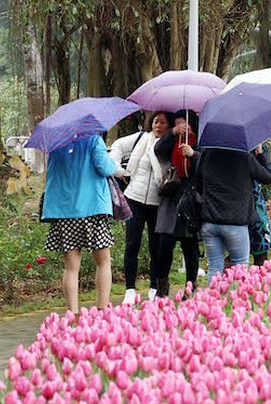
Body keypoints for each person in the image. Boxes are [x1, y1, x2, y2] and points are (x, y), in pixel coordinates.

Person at [180, 135, 271, 284]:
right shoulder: (244, 157)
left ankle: (213, 304)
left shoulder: (207, 155)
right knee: (239, 269)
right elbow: (268, 177)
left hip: (209, 222)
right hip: (235, 223)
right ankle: (235, 305)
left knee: (214, 268)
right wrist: (261, 153)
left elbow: (199, 179)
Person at [41, 135, 116, 313]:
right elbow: (104, 168)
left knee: (71, 268)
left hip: (65, 212)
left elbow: (51, 175)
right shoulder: (94, 140)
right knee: (103, 262)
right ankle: (102, 309)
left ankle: (73, 313)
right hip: (93, 209)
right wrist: (112, 162)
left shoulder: (56, 143)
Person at [110, 111, 172, 305]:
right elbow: (118, 145)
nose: (158, 126)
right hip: (134, 198)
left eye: (162, 123)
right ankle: (130, 289)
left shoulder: (170, 145)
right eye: (155, 121)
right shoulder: (141, 139)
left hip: (157, 201)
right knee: (132, 244)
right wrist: (118, 169)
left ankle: (154, 287)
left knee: (156, 247)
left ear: (169, 126)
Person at [152, 111, 200, 297]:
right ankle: (161, 288)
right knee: (164, 242)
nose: (182, 129)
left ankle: (191, 287)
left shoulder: (199, 141)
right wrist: (172, 132)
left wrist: (193, 154)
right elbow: (158, 150)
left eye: (185, 125)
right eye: (178, 125)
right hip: (171, 196)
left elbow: (204, 164)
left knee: (190, 246)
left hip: (191, 198)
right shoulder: (172, 139)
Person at [250, 135, 271, 266]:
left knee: (235, 258)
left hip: (230, 211)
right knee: (260, 258)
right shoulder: (250, 151)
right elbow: (268, 176)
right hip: (254, 211)